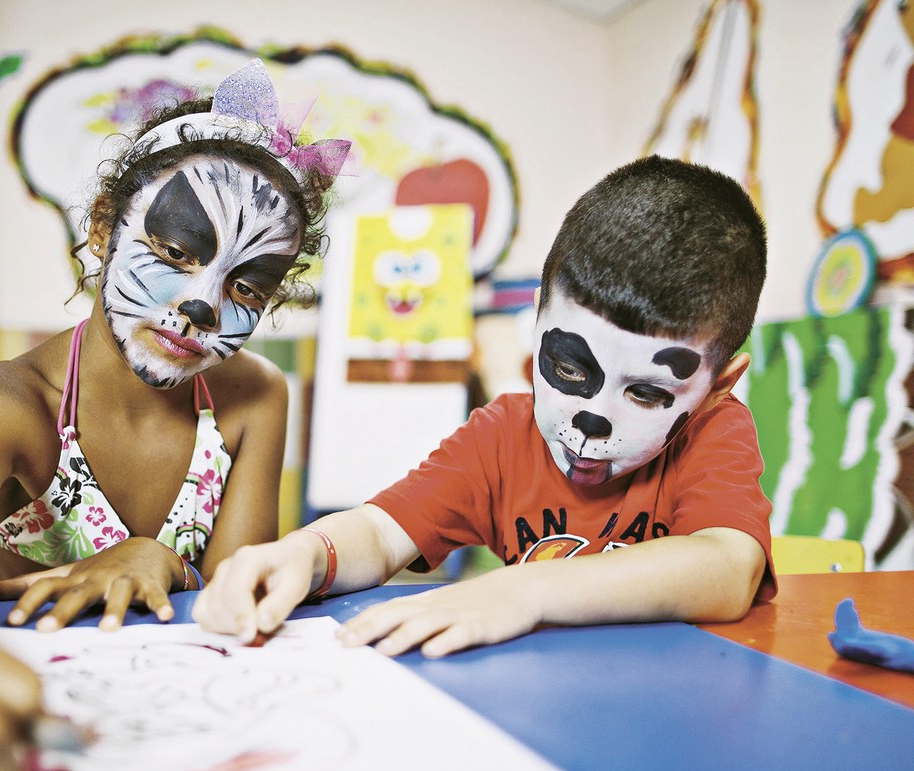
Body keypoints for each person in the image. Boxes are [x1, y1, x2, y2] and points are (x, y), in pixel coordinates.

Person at [0, 59, 350, 771]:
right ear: (105, 225)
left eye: (244, 286)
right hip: (45, 733)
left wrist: (162, 561)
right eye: (174, 253)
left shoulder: (254, 398)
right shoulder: (6, 407)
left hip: (203, 738)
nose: (201, 305)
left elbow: (239, 593)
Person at [194, 155, 776, 662]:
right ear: (539, 321)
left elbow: (727, 566)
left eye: (646, 392)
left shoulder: (713, 431)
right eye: (571, 369)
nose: (590, 420)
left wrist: (524, 590)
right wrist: (305, 553)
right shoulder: (504, 437)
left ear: (719, 385)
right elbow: (378, 532)